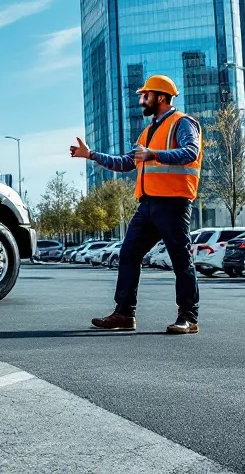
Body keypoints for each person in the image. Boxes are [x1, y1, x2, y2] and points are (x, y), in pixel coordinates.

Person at [69, 75, 203, 334]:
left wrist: (154, 154)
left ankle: (189, 317)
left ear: (161, 97)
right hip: (148, 204)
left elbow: (191, 152)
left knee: (180, 259)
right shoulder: (147, 131)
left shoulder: (183, 123)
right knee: (129, 253)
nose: (142, 100)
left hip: (174, 202)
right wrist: (91, 155)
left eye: (146, 95)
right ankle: (124, 314)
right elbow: (125, 163)